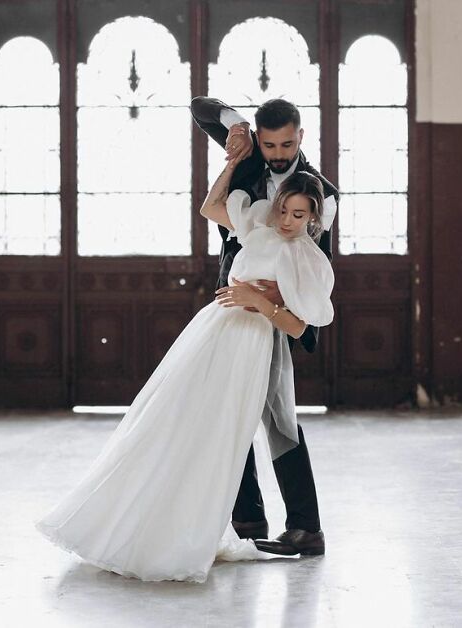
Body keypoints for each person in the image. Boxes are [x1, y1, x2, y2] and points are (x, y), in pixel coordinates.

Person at [34, 158, 335, 583]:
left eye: (299, 214)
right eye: (284, 209)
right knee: (171, 420)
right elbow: (210, 206)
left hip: (251, 345)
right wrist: (233, 161)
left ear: (315, 216)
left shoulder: (309, 259)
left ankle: (193, 531)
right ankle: (131, 523)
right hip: (212, 332)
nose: (287, 220)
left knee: (223, 436)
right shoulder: (257, 229)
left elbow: (301, 325)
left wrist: (262, 301)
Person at [190, 96, 339, 556]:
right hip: (231, 306)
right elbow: (201, 108)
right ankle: (247, 517)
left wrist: (279, 303)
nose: (277, 153)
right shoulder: (249, 159)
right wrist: (237, 130)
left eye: (287, 143)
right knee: (227, 411)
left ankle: (305, 526)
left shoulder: (320, 194)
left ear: (302, 137)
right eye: (269, 143)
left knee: (277, 417)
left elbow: (310, 262)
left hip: (274, 315)